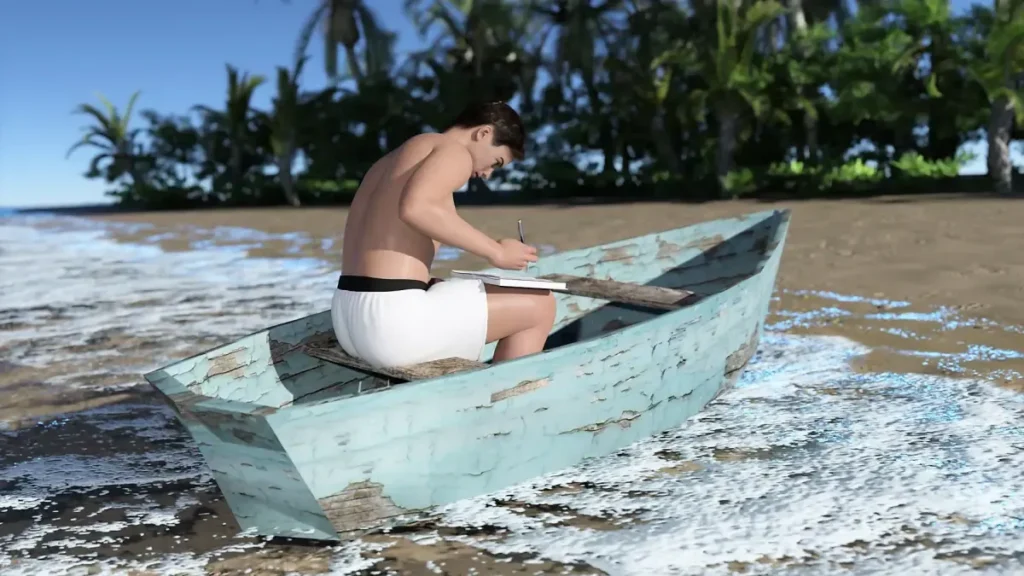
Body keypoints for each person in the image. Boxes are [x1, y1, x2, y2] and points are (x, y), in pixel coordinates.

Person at [331, 101, 557, 369]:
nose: (487, 174)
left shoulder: (390, 161)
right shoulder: (452, 150)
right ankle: (506, 392)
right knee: (541, 305)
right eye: (496, 162)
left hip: (346, 316)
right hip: (391, 326)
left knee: (463, 289)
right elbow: (417, 208)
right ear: (483, 133)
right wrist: (496, 252)